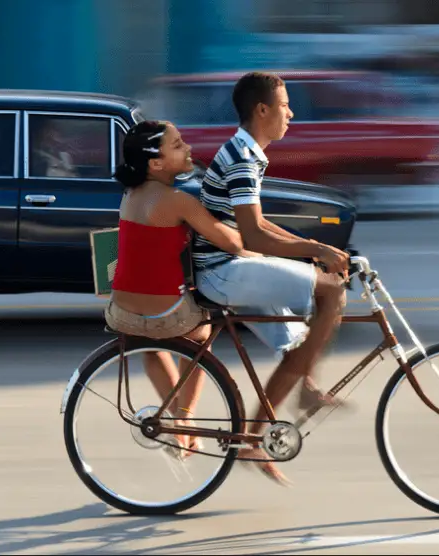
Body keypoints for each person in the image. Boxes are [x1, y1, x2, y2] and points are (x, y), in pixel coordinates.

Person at [192, 72, 351, 486]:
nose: (291, 113)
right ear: (261, 110)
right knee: (332, 292)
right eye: (284, 106)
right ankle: (303, 392)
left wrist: (317, 246)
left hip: (232, 264)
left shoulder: (247, 153)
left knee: (299, 344)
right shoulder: (242, 159)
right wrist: (318, 253)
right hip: (224, 271)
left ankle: (257, 435)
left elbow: (260, 225)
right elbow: (255, 234)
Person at [106, 120, 252, 457]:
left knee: (153, 345)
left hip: (121, 312)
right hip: (168, 315)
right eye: (177, 144)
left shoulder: (131, 194)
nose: (187, 148)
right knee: (201, 340)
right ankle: (183, 425)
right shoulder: (177, 200)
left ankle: (175, 424)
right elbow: (230, 241)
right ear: (156, 164)